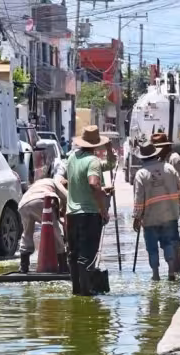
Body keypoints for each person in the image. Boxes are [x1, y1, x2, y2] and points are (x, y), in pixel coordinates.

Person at [66, 125, 116, 296]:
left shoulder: (73, 157)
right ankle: (87, 293)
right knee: (87, 255)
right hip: (89, 214)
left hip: (72, 214)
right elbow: (93, 183)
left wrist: (110, 151)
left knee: (74, 254)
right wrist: (103, 210)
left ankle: (77, 290)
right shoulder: (92, 161)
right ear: (96, 144)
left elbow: (109, 165)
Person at [133, 142, 180, 282]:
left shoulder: (141, 174)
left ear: (142, 158)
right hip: (169, 215)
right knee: (168, 243)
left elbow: (139, 199)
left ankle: (155, 274)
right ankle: (171, 272)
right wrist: (179, 207)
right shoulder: (169, 168)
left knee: (152, 248)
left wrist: (137, 218)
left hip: (150, 218)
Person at [18, 175, 68, 274]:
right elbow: (67, 196)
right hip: (40, 201)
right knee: (56, 232)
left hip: (23, 204)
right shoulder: (55, 182)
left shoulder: (39, 183)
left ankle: (24, 266)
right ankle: (63, 265)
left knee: (27, 233)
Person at [151, 132, 180, 273]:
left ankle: (177, 268)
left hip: (171, 205)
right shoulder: (161, 159)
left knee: (172, 237)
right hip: (162, 205)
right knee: (165, 238)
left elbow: (178, 185)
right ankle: (172, 268)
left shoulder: (174, 160)